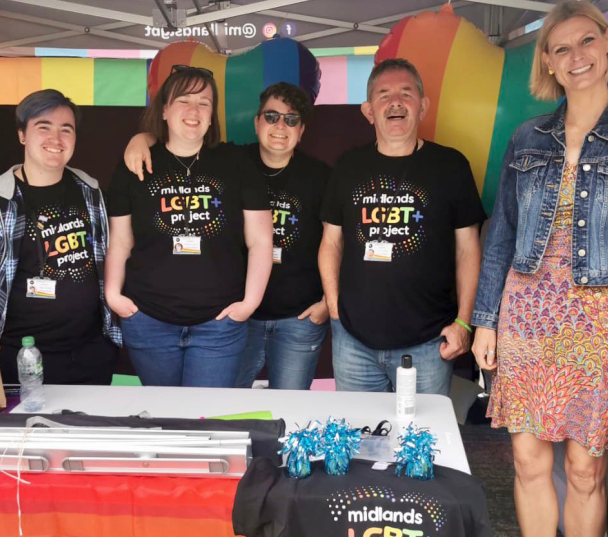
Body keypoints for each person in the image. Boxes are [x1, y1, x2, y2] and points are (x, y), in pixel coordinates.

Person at [470, 2, 608, 536]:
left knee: (585, 472)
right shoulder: (525, 137)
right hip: (527, 316)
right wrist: (485, 321)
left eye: (586, 41)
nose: (576, 56)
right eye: (561, 49)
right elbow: (500, 238)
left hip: (602, 322)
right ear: (547, 62)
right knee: (527, 463)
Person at [123, 82, 331, 391]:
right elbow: (184, 135)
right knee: (225, 405)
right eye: (271, 116)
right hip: (236, 315)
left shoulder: (321, 177)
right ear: (256, 123)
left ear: (301, 131)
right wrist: (142, 138)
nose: (280, 126)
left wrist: (327, 302)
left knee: (290, 408)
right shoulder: (231, 160)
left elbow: (338, 242)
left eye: (291, 120)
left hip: (297, 318)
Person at [318, 59, 486, 396]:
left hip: (428, 343)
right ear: (369, 111)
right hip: (354, 344)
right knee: (357, 429)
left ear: (423, 106)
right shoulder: (348, 166)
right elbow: (331, 242)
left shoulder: (450, 166)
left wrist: (464, 322)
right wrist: (335, 310)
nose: (395, 102)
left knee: (421, 430)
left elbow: (468, 249)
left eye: (406, 93)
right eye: (384, 95)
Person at [105, 66, 273, 387]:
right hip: (149, 321)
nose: (194, 110)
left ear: (212, 116)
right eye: (183, 100)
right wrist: (113, 295)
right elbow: (121, 241)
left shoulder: (237, 163)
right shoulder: (135, 163)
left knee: (208, 414)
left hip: (219, 326)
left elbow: (261, 240)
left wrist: (249, 303)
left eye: (204, 103)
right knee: (162, 413)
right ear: (164, 110)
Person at [0, 89, 121, 385]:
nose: (56, 139)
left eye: (66, 130)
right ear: (22, 135)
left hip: (90, 353)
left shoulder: (90, 192)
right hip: (22, 357)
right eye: (44, 127)